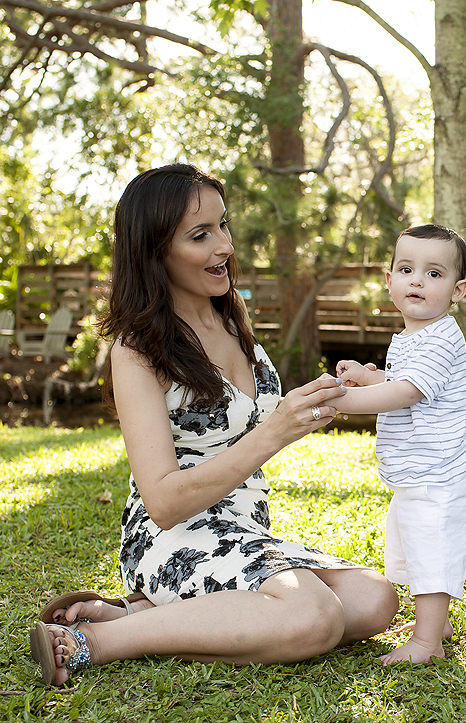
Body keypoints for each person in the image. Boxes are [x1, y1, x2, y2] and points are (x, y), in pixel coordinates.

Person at [30, 164, 398, 686]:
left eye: (222, 225)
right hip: (173, 534)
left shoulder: (231, 314)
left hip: (244, 528)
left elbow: (255, 414)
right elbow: (163, 501)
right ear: (155, 251)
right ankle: (95, 641)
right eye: (200, 235)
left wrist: (336, 394)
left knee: (374, 599)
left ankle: (137, 613)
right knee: (314, 616)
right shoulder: (137, 350)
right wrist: (276, 431)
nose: (224, 245)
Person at [331, 224, 466, 665]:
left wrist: (341, 401)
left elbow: (406, 392)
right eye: (406, 269)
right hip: (419, 473)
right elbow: (398, 380)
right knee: (414, 549)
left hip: (441, 476)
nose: (417, 280)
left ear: (458, 290)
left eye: (434, 273)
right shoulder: (414, 336)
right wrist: (367, 376)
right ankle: (436, 624)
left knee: (431, 554)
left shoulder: (443, 337)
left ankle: (427, 643)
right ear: (389, 281)